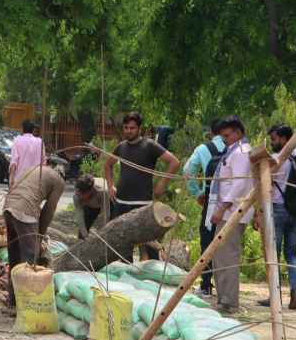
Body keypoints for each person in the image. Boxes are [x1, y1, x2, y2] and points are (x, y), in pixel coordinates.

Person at [104, 111, 180, 260]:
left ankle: (150, 276)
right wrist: (110, 185)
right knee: (121, 243)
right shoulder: (121, 147)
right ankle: (125, 274)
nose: (128, 131)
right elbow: (108, 166)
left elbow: (174, 162)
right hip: (121, 202)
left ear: (139, 128)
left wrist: (162, 184)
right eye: (126, 127)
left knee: (148, 245)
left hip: (143, 203)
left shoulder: (149, 145)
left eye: (132, 128)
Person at [257, 123, 296, 310]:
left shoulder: (276, 159)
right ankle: (295, 291)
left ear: (284, 138)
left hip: (278, 209)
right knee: (292, 254)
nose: (272, 143)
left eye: (274, 139)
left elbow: (264, 185)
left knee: (274, 255)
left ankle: (275, 296)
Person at [207, 116, 253, 314]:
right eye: (222, 136)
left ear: (238, 132)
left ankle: (229, 301)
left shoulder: (242, 152)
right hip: (227, 211)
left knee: (228, 256)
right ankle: (223, 297)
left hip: (233, 212)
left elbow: (239, 184)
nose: (224, 139)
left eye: (227, 135)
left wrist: (222, 208)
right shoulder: (232, 151)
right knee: (220, 256)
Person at [3, 164, 65, 304]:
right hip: (25, 210)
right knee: (30, 257)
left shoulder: (37, 168)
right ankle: (27, 301)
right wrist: (40, 236)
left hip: (8, 206)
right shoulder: (59, 182)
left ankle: (12, 298)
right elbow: (49, 211)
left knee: (14, 255)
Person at [183, 118, 226, 297]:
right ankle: (226, 288)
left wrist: (197, 193)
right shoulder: (238, 149)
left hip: (211, 199)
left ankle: (206, 285)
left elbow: (187, 171)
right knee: (228, 244)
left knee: (207, 240)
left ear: (211, 132)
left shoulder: (203, 149)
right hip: (234, 201)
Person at [73, 173, 112, 239]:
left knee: (107, 230)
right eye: (79, 193)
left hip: (107, 202)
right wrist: (84, 233)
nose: (81, 196)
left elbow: (105, 214)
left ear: (91, 190)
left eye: (83, 194)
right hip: (90, 207)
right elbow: (79, 215)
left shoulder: (102, 192)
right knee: (81, 235)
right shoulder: (77, 195)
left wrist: (99, 231)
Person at [9, 121, 45, 187]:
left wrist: (11, 180)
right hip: (35, 182)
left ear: (22, 129)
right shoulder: (40, 142)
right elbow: (44, 163)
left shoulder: (17, 140)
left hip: (19, 181)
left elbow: (14, 162)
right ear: (32, 130)